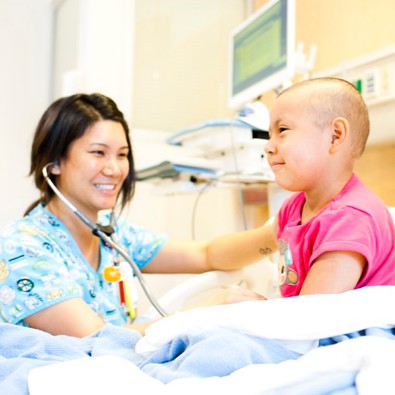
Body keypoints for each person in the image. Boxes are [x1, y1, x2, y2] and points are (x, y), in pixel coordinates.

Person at [0, 93, 273, 337]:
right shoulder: (21, 248)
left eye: (122, 154)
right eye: (98, 153)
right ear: (55, 162)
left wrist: (278, 232)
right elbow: (94, 337)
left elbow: (207, 254)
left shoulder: (113, 236)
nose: (115, 169)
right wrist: (203, 313)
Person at [263, 77, 395, 297]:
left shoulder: (351, 218)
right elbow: (215, 253)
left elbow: (312, 317)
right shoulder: (294, 209)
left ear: (335, 136)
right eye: (269, 135)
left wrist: (250, 310)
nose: (268, 146)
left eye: (283, 129)